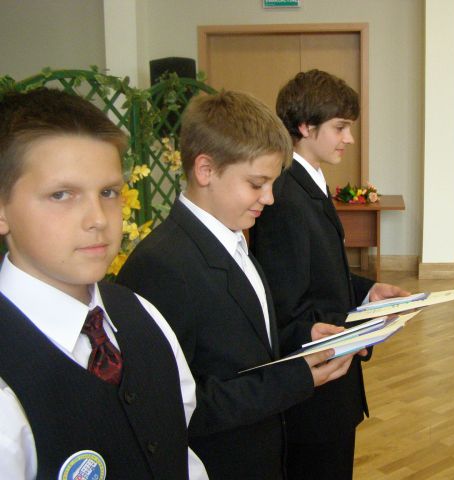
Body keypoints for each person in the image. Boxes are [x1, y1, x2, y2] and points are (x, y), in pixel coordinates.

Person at [116, 90, 356, 479]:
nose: (270, 199)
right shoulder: (161, 266)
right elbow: (177, 407)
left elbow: (245, 344)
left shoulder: (234, 239)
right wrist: (293, 380)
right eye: (257, 183)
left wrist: (303, 335)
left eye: (272, 184)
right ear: (205, 170)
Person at [0, 88, 208, 479]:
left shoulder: (142, 316)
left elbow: (180, 453)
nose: (98, 218)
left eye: (109, 192)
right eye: (61, 194)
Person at [250, 69, 411, 479]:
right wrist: (355, 331)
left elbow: (322, 275)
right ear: (306, 127)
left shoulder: (310, 182)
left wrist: (368, 292)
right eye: (340, 127)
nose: (348, 138)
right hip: (314, 397)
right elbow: (287, 307)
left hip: (333, 386)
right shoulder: (285, 197)